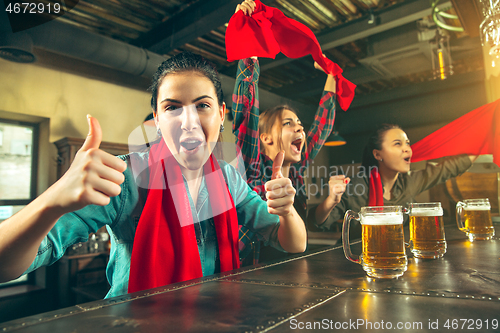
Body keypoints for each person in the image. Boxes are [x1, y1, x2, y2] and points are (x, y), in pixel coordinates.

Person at [0, 52, 307, 298]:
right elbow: (7, 267)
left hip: (218, 321)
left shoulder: (228, 178)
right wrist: (52, 200)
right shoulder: (127, 176)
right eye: (173, 107)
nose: (188, 120)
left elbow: (292, 243)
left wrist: (288, 211)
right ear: (158, 121)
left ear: (222, 114)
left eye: (202, 105)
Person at [232, 0, 348, 264]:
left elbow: (321, 128)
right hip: (252, 277)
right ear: (265, 138)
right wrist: (249, 43)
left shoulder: (296, 172)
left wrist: (332, 78)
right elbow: (246, 112)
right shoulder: (250, 168)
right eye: (288, 123)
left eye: (299, 124)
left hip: (291, 275)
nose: (299, 128)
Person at [308, 124, 476, 239]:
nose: (407, 148)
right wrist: (331, 200)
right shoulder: (357, 187)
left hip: (396, 260)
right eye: (397, 144)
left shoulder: (409, 183)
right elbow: (318, 223)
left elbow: (447, 169)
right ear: (377, 154)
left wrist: (485, 141)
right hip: (356, 264)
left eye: (407, 143)